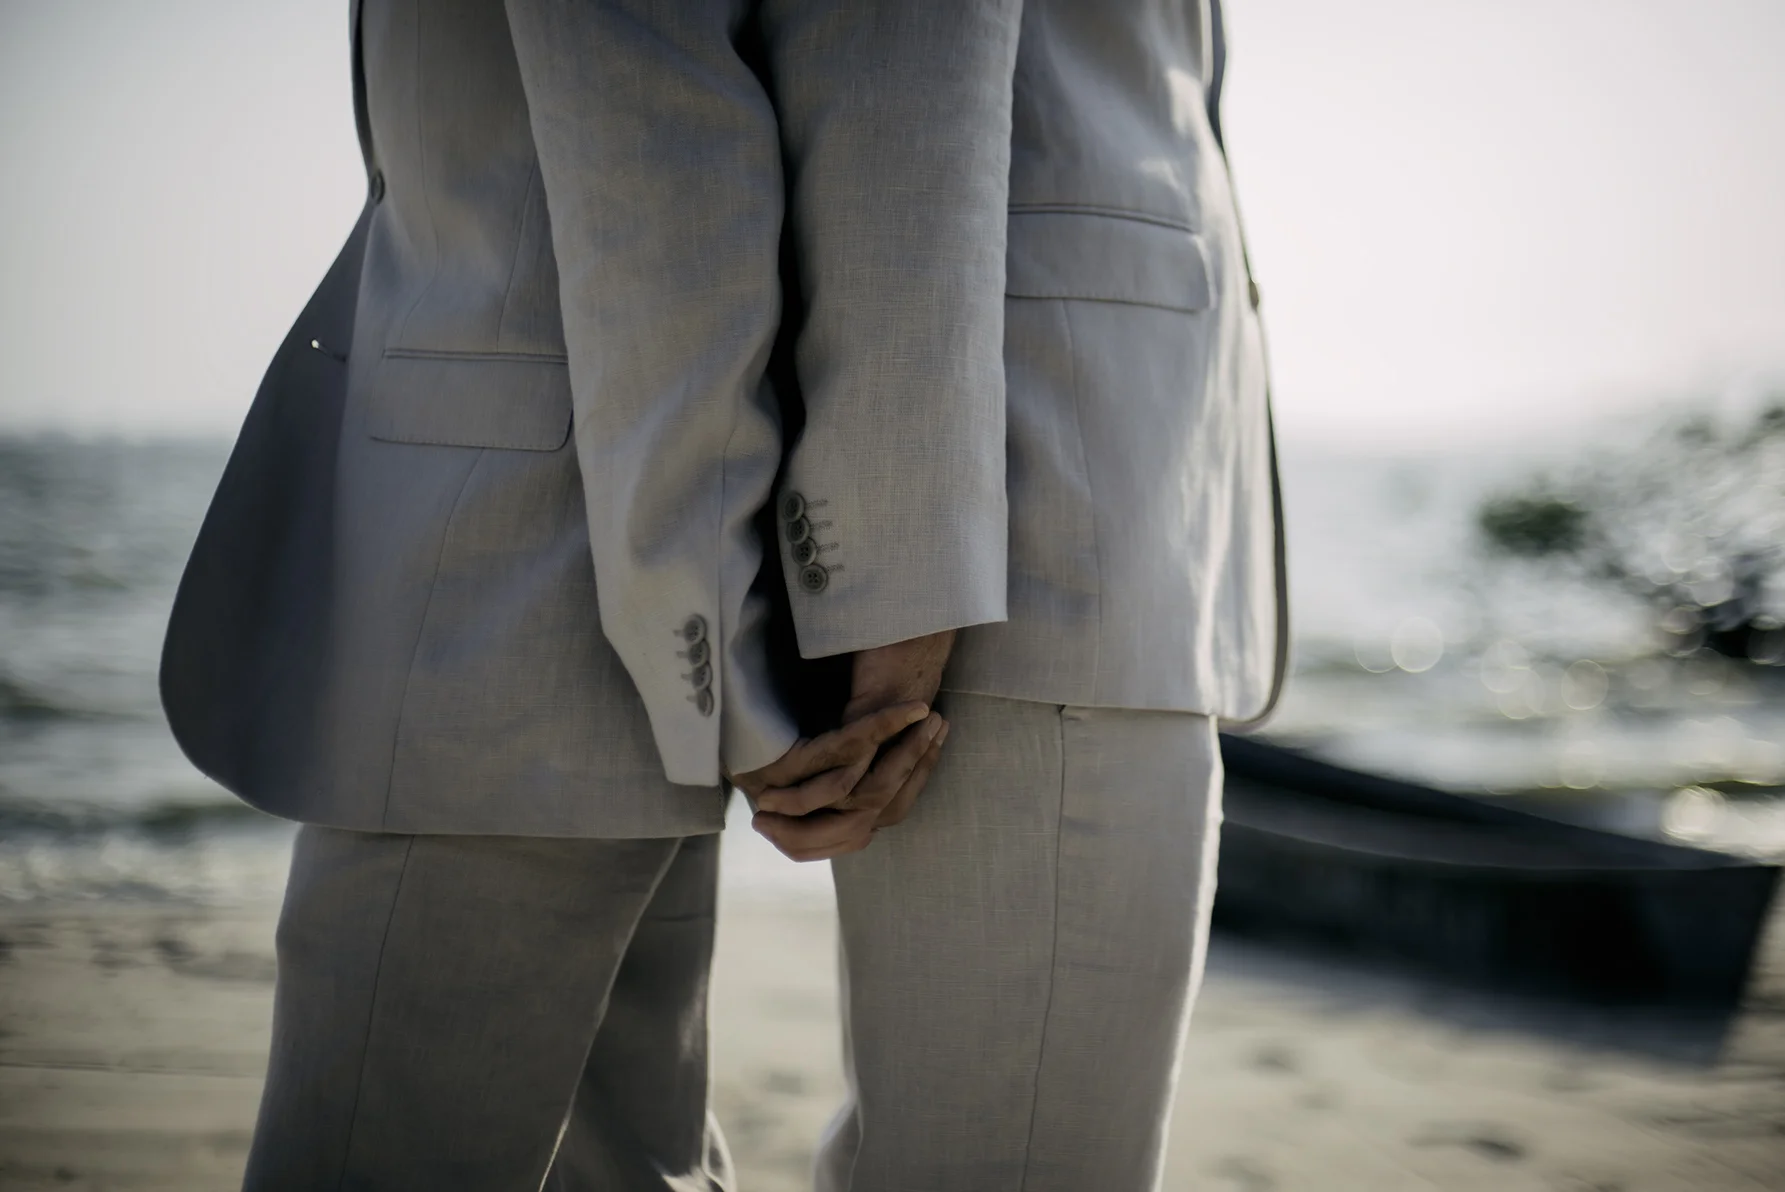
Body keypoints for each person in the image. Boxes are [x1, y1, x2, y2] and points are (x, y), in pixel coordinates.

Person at [161, 0, 1285, 1187]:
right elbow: (779, 92)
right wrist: (828, 594)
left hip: (608, 525)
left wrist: (772, 606)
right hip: (983, 510)